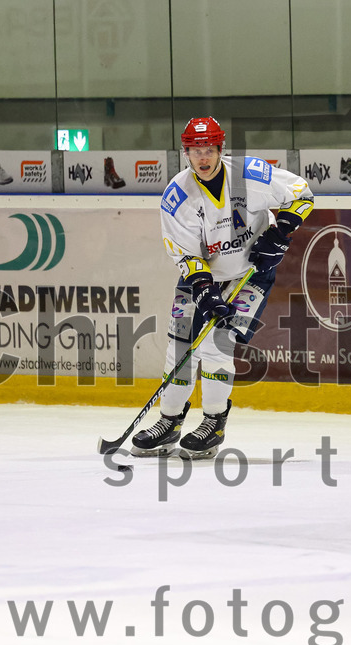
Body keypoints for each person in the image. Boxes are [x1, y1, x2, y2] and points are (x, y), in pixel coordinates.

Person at [130, 117, 314, 459]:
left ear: (220, 149)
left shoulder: (250, 174)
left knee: (216, 345)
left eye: (209, 149)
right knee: (180, 347)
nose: (203, 157)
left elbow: (303, 194)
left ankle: (213, 423)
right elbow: (185, 254)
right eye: (196, 150)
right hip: (201, 277)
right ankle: (169, 422)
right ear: (185, 152)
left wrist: (279, 233)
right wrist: (205, 291)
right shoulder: (177, 195)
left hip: (251, 274)